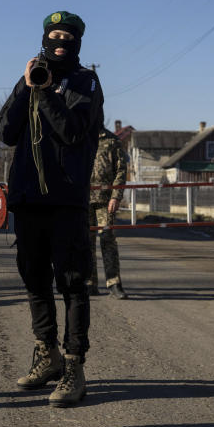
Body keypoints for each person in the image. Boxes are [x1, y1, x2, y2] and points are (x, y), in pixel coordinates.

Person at [0, 11, 103, 407]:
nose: (60, 41)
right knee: (35, 280)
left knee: (73, 284)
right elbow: (5, 133)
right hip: (28, 202)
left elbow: (73, 131)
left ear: (78, 42)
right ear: (43, 39)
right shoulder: (30, 80)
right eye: (54, 35)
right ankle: (48, 354)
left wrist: (45, 94)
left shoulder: (85, 82)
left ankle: (75, 365)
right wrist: (27, 88)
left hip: (66, 201)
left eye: (68, 36)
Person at [89, 125, 128, 299]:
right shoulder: (79, 136)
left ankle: (114, 284)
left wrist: (116, 196)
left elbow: (121, 170)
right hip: (84, 199)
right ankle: (89, 283)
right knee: (85, 242)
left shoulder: (112, 141)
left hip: (106, 201)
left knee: (107, 239)